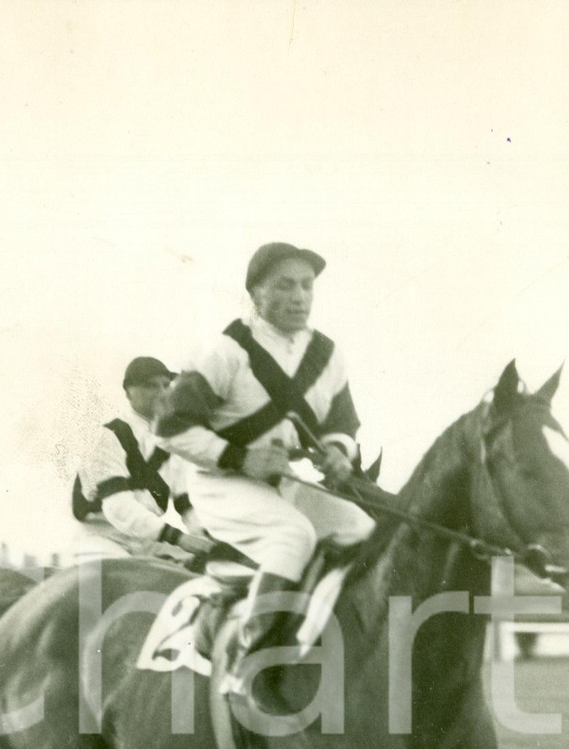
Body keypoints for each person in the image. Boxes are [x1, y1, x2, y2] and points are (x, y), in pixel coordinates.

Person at [155, 242, 373, 692]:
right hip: (221, 485)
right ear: (256, 294)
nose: (299, 296)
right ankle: (246, 660)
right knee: (292, 536)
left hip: (285, 482)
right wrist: (240, 458)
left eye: (307, 286)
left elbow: (342, 423)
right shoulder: (225, 351)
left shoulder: (328, 356)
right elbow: (169, 426)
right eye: (285, 285)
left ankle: (338, 650)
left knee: (363, 533)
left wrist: (337, 450)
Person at [72, 355, 212, 562]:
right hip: (102, 541)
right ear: (129, 392)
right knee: (115, 582)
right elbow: (117, 507)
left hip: (146, 542)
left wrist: (207, 538)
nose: (162, 393)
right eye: (151, 386)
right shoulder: (108, 435)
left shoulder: (170, 441)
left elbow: (186, 504)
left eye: (166, 385)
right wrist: (179, 538)